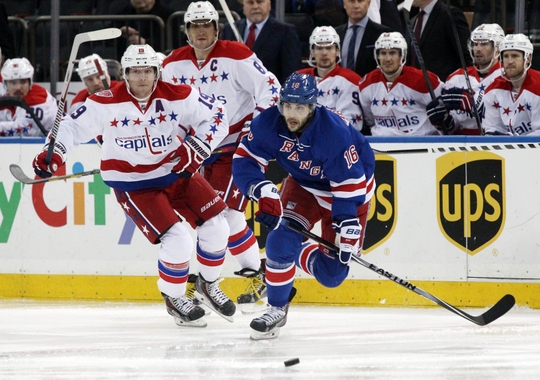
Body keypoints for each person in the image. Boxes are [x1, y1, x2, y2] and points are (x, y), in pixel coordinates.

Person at [32, 44, 236, 327]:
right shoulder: (104, 101)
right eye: (135, 71)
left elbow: (216, 114)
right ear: (125, 74)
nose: (142, 77)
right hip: (134, 183)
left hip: (176, 172)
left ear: (157, 72)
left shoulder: (178, 94)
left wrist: (197, 146)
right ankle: (175, 297)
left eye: (148, 71)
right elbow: (71, 128)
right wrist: (53, 153)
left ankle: (207, 284)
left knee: (218, 225)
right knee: (178, 240)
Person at [232, 72, 375, 339]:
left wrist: (347, 224)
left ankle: (294, 254)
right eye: (288, 106)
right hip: (305, 187)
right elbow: (244, 161)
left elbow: (349, 184)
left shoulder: (333, 133)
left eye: (300, 107)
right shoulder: (268, 123)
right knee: (279, 243)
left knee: (332, 276)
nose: (292, 114)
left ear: (312, 107)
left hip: (348, 193)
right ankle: (276, 307)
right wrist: (262, 190)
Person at [161, 1, 281, 308]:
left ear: (217, 28)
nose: (201, 31)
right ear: (186, 30)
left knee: (223, 214)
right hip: (198, 151)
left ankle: (226, 278)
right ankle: (257, 275)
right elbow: (162, 108)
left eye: (207, 25)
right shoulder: (173, 64)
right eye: (195, 25)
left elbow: (269, 86)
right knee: (213, 216)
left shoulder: (237, 55)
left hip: (235, 147)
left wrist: (260, 123)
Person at [426, 23, 505, 135]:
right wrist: (446, 121)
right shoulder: (456, 77)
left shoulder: (507, 77)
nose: (478, 49)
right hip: (461, 145)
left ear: (497, 48)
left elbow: (510, 119)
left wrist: (475, 105)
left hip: (494, 143)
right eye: (475, 44)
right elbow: (454, 125)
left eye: (484, 44)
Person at [359, 32, 444, 136]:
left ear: (402, 55)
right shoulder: (367, 83)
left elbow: (444, 114)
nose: (387, 59)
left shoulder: (424, 80)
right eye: (383, 53)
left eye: (392, 53)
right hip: (381, 147)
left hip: (421, 145)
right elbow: (370, 120)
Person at [297, 26, 363, 131]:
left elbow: (350, 123)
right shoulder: (298, 78)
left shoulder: (350, 80)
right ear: (312, 52)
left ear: (337, 51)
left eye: (329, 48)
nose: (324, 53)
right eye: (319, 48)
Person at [222, 0, 302, 84]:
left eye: (260, 2)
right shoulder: (230, 29)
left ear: (269, 5)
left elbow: (291, 71)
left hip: (270, 93)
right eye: (250, 3)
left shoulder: (286, 31)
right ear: (243, 6)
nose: (255, 6)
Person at [483, 34, 540, 136]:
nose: (509, 61)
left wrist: (514, 141)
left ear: (528, 58)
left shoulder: (538, 87)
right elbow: (491, 130)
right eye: (506, 56)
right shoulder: (493, 89)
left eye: (515, 56)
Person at [409, 0, 472, 81]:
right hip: (415, 87)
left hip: (444, 87)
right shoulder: (414, 20)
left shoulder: (450, 14)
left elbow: (466, 54)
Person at [0, 58, 57, 137]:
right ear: (5, 85)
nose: (18, 87)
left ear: (30, 82)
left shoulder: (38, 98)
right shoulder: (7, 100)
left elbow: (25, 130)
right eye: (13, 83)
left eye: (23, 82)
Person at [335, 0, 392, 77]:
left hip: (372, 86)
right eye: (351, 1)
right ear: (344, 4)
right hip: (341, 87)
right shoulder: (336, 33)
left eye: (360, 1)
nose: (356, 6)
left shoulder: (383, 33)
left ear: (368, 3)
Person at [109, 0, 174, 57]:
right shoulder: (123, 13)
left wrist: (145, 42)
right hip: (128, 59)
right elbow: (106, 39)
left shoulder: (168, 15)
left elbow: (173, 42)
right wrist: (119, 32)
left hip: (157, 59)